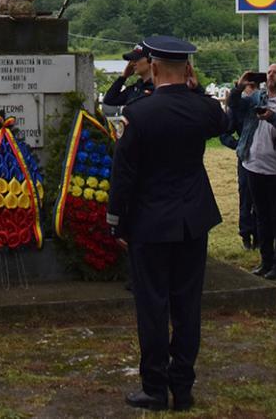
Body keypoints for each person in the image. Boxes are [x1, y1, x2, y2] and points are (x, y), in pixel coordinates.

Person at [107, 35, 228, 412]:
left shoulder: (138, 114)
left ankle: (155, 387)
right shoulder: (203, 109)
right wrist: (197, 87)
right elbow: (223, 119)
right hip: (193, 220)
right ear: (187, 69)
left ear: (154, 67)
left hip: (150, 222)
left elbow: (123, 175)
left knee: (153, 306)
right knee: (187, 305)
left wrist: (116, 222)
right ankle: (184, 386)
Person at [227, 64, 276, 280]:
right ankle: (266, 261)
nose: (271, 75)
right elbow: (235, 106)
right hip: (253, 165)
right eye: (269, 72)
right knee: (261, 216)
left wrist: (272, 117)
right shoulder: (256, 97)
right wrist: (239, 87)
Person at [220, 82, 258, 250]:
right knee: (246, 196)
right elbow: (224, 133)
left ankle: (260, 235)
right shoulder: (237, 107)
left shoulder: (265, 100)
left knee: (262, 198)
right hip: (246, 156)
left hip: (266, 156)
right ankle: (246, 235)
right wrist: (239, 144)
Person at [102, 42, 154, 111]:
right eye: (131, 60)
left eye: (136, 59)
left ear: (150, 60)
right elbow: (109, 100)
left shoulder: (158, 89)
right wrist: (124, 76)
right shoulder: (135, 88)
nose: (132, 64)